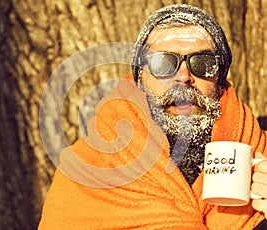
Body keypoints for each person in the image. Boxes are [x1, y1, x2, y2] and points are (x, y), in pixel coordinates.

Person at [39, 4, 267, 229]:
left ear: (220, 77)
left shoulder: (261, 155)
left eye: (203, 63)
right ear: (140, 78)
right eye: (164, 63)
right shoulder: (89, 168)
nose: (183, 77)